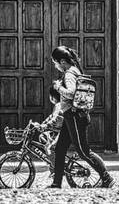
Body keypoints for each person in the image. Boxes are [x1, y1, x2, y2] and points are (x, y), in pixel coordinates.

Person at [48, 46, 115, 188]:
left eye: (55, 63)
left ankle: (106, 178)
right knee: (60, 149)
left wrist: (58, 87)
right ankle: (56, 183)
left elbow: (71, 93)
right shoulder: (75, 70)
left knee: (83, 151)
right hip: (70, 116)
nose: (55, 66)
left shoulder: (69, 74)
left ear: (62, 61)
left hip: (74, 117)